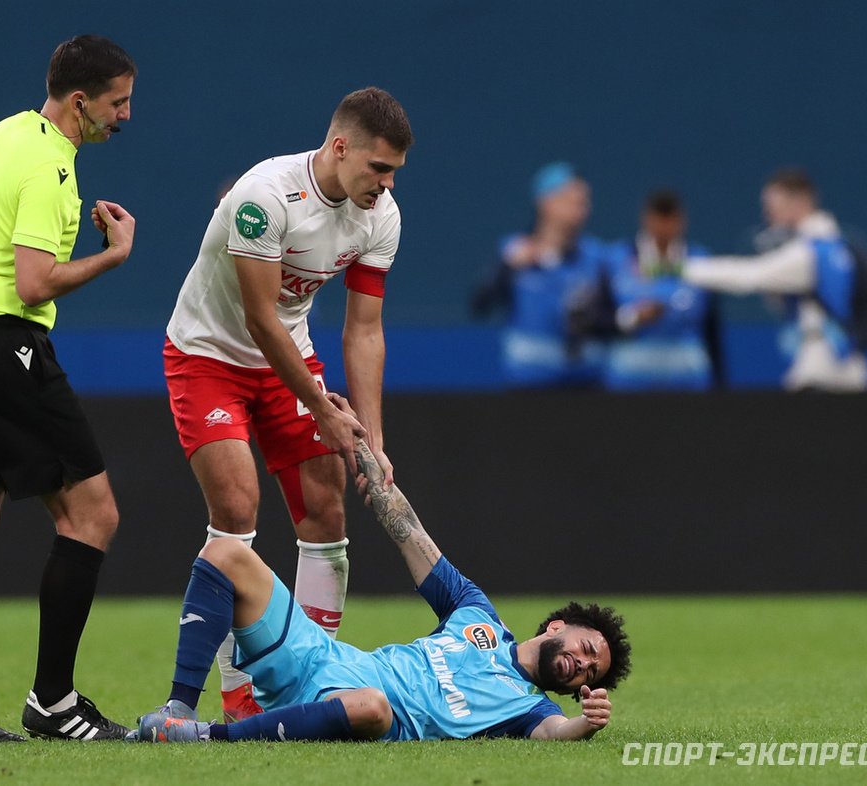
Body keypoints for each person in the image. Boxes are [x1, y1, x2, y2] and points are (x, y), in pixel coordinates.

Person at [130, 395, 631, 743]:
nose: (583, 665)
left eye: (590, 673)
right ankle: (178, 710)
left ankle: (206, 739)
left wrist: (584, 725)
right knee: (227, 554)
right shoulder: (476, 613)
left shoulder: (528, 709)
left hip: (357, 705)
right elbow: (411, 536)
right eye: (587, 649)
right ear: (557, 627)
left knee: (373, 706)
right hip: (318, 658)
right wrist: (365, 454)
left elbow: (555, 731)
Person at [163, 87, 413, 720]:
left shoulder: (380, 217)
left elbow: (364, 331)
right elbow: (259, 317)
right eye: (377, 168)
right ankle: (237, 695)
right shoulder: (264, 197)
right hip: (208, 358)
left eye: (393, 173)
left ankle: (309, 682)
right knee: (237, 514)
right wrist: (325, 407)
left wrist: (372, 441)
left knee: (328, 514)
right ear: (339, 147)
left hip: (288, 365)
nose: (385, 185)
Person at [0, 35, 138, 743]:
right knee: (92, 514)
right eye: (118, 102)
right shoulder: (51, 166)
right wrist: (111, 256)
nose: (125, 116)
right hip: (3, 347)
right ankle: (53, 702)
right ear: (82, 102)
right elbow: (34, 283)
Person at [682, 169, 867, 391]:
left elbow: (747, 277)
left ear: (799, 202)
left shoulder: (807, 254)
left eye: (772, 205)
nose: (767, 214)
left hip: (821, 365)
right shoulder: (837, 246)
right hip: (848, 359)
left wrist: (678, 268)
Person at [471, 162, 612, 387]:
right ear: (545, 202)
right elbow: (480, 305)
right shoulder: (513, 252)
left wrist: (589, 320)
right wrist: (507, 267)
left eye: (584, 201)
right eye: (571, 200)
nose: (581, 207)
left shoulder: (598, 258)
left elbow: (614, 321)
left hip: (585, 381)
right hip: (529, 384)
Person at [603, 190, 722, 391]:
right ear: (646, 219)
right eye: (659, 218)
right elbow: (599, 317)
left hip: (687, 381)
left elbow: (711, 328)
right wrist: (632, 317)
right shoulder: (617, 258)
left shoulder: (700, 261)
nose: (664, 227)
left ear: (681, 221)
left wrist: (719, 383)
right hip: (629, 380)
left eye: (670, 219)